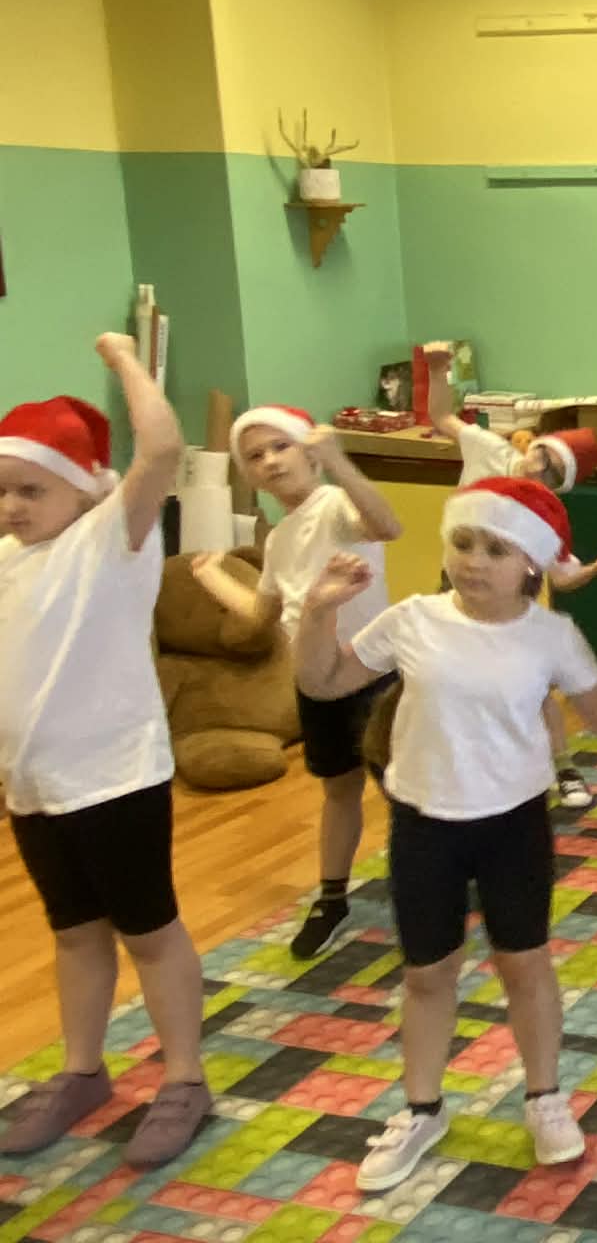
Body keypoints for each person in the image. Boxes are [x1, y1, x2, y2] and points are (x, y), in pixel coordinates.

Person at [294, 477, 597, 1192]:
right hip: (423, 822)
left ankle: (545, 1097)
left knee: (525, 965)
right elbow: (323, 680)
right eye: (464, 543)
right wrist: (318, 610)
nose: (474, 561)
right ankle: (422, 1110)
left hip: (513, 824)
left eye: (496, 549)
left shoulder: (551, 635)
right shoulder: (413, 619)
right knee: (426, 974)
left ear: (530, 563)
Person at [0, 336, 213, 1166]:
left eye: (30, 488)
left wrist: (123, 358)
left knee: (148, 930)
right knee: (75, 933)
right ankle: (83, 1071)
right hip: (35, 787)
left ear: (83, 485)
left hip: (115, 780)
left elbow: (161, 448)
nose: (12, 506)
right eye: (1, 490)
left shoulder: (109, 541)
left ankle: (185, 1078)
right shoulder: (7, 560)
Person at [189, 405, 405, 959]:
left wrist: (341, 462)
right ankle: (332, 899)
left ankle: (447, 872)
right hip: (318, 687)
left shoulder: (334, 505)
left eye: (280, 446)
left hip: (374, 675)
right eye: (255, 456)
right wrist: (211, 576)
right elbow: (263, 615)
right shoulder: (280, 538)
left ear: (310, 452)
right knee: (339, 791)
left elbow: (387, 526)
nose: (269, 461)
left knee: (405, 789)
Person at [423, 341, 597, 809]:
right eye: (543, 456)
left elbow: (565, 577)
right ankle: (459, 765)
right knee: (449, 678)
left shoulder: (543, 512)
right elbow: (441, 417)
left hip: (513, 600)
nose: (540, 468)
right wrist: (436, 372)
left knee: (531, 686)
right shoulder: (488, 449)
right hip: (456, 587)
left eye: (553, 473)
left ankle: (563, 767)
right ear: (533, 444)